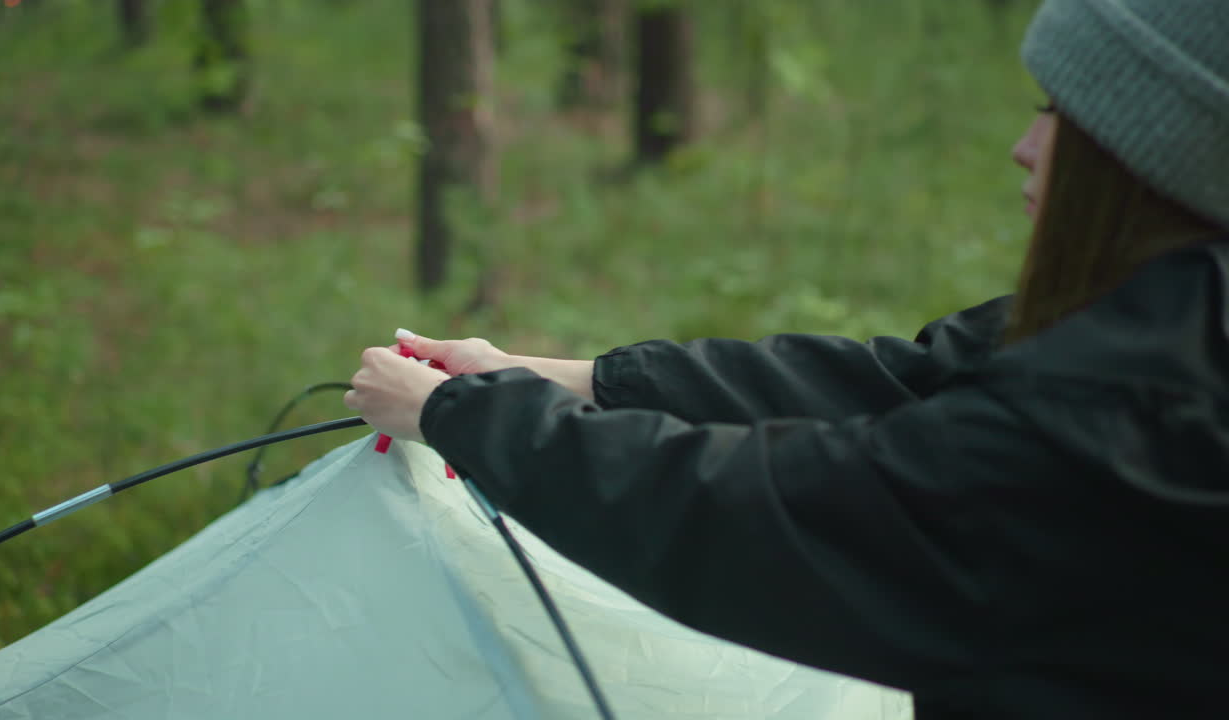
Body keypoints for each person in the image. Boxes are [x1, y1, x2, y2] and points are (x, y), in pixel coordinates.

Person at [345, 0, 1229, 717]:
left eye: (1060, 117)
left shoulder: (1126, 416)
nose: (1025, 145)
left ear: (1147, 161)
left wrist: (456, 415)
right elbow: (892, 382)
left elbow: (767, 516)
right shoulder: (1158, 323)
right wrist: (556, 377)